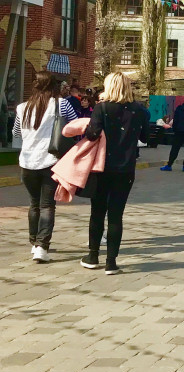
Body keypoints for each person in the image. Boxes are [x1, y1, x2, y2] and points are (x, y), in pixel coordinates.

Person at [80, 72, 149, 275]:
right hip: (126, 168)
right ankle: (111, 262)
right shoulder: (140, 110)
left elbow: (92, 134)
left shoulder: (101, 108)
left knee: (97, 212)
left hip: (101, 167)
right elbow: (145, 137)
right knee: (116, 215)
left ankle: (93, 256)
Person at [13, 74, 78, 263]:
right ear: (53, 86)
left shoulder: (21, 107)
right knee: (47, 205)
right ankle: (42, 246)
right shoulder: (62, 104)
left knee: (34, 204)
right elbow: (74, 126)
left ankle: (34, 243)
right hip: (51, 160)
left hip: (27, 161)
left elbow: (16, 132)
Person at [160, 96, 184, 172]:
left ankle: (169, 165)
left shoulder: (179, 108)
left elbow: (176, 120)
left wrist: (175, 130)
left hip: (179, 132)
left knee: (175, 149)